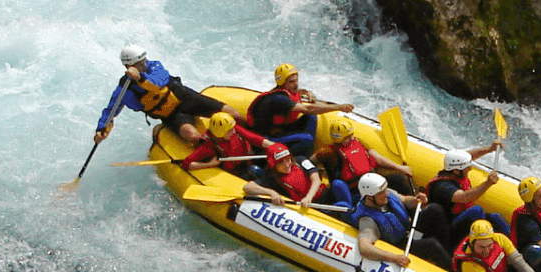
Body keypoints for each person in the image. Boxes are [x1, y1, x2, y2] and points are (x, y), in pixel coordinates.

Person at [94, 45, 243, 147]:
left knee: (232, 113)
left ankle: (253, 129)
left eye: (144, 61)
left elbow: (158, 83)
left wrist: (140, 78)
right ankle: (222, 153)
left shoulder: (155, 66)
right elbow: (110, 111)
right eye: (140, 64)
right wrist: (101, 129)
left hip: (186, 99)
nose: (145, 65)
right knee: (192, 136)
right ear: (129, 67)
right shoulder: (124, 90)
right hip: (171, 115)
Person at [349, 172, 452, 270]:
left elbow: (405, 200)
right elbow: (364, 248)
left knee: (435, 209)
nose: (385, 194)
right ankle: (452, 269)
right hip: (402, 244)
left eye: (384, 190)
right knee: (432, 245)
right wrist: (394, 258)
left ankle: (448, 251)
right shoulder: (367, 220)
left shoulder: (385, 194)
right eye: (381, 193)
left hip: (410, 232)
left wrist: (416, 200)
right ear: (369, 197)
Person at [245, 63, 353, 156]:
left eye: (296, 80)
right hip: (267, 138)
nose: (296, 84)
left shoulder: (285, 92)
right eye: (291, 82)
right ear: (282, 83)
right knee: (307, 138)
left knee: (311, 117)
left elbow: (298, 92)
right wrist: (338, 107)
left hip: (280, 129)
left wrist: (307, 92)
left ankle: (304, 150)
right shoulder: (278, 99)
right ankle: (298, 160)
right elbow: (307, 108)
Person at [312, 112, 414, 205]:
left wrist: (400, 168)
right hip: (356, 190)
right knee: (388, 196)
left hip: (373, 180)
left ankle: (413, 204)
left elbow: (377, 158)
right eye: (347, 137)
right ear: (339, 138)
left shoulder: (359, 141)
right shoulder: (328, 152)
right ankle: (405, 204)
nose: (351, 138)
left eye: (351, 135)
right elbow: (311, 161)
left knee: (399, 179)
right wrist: (316, 173)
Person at [425, 145, 509, 246]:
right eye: (467, 167)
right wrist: (487, 183)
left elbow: (469, 156)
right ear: (456, 171)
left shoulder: (455, 171)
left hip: (459, 217)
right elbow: (464, 197)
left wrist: (489, 149)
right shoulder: (443, 186)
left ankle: (513, 248)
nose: (470, 168)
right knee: (476, 211)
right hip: (447, 230)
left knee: (496, 217)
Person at [181, 111, 268, 173]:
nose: (234, 132)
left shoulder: (234, 130)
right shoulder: (208, 147)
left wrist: (273, 146)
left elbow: (254, 138)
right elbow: (186, 164)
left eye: (232, 128)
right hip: (236, 173)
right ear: (220, 133)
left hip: (248, 164)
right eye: (229, 131)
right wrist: (210, 164)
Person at [248, 141, 325, 209]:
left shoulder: (301, 160)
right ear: (273, 165)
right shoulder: (272, 178)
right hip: (308, 209)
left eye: (288, 160)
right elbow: (248, 186)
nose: (287, 165)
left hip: (323, 195)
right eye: (281, 162)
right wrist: (271, 192)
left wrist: (308, 197)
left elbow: (316, 179)